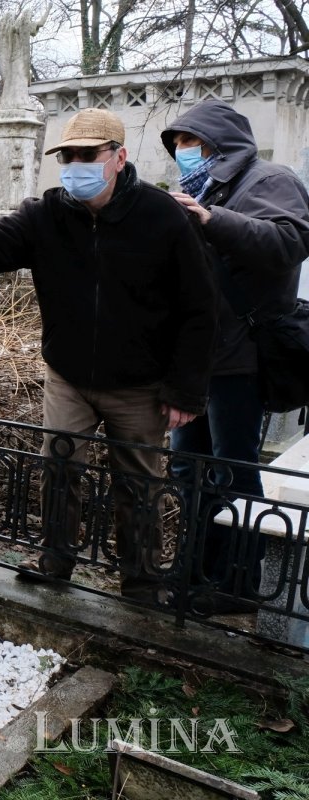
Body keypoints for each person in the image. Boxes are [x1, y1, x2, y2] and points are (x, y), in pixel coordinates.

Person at [0, 108, 218, 602]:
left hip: (140, 382)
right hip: (70, 373)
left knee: (139, 480)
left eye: (88, 155)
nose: (76, 164)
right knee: (59, 465)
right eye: (69, 156)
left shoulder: (164, 218)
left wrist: (186, 387)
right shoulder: (45, 216)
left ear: (119, 158)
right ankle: (56, 558)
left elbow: (200, 308)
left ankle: (142, 582)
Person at [160, 100, 309, 612]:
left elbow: (289, 242)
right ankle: (195, 572)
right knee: (188, 469)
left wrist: (211, 218)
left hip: (241, 357)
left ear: (218, 142)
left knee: (232, 470)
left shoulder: (269, 180)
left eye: (190, 142)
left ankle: (236, 585)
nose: (182, 152)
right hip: (200, 359)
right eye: (177, 144)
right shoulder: (206, 187)